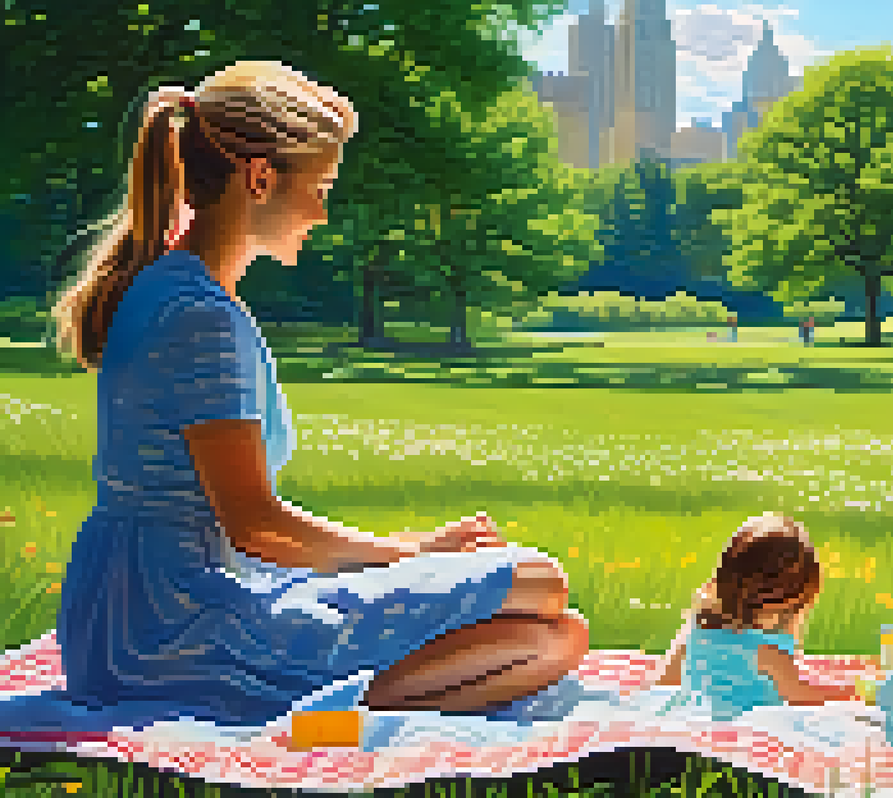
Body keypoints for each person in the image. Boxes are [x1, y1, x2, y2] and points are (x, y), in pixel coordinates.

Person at [45, 62, 587, 728]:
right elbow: (256, 525)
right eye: (321, 187)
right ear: (260, 178)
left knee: (554, 638)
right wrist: (414, 551)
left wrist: (401, 555)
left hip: (130, 618)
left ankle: (335, 713)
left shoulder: (170, 288)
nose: (324, 213)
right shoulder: (201, 317)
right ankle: (317, 722)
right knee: (539, 582)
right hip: (172, 628)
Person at [646, 514, 855, 719]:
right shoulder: (768, 652)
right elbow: (802, 696)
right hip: (750, 727)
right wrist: (849, 694)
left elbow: (664, 685)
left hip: (697, 721)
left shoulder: (695, 633)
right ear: (788, 601)